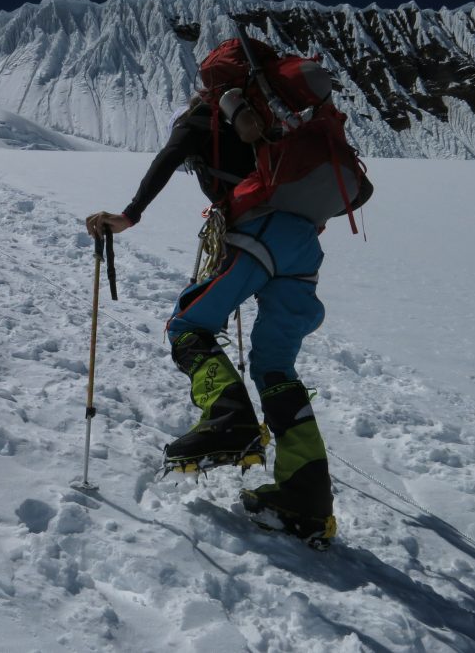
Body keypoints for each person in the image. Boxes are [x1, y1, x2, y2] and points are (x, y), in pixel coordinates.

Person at [86, 92, 338, 544]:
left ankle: (229, 419)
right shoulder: (276, 118)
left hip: (257, 233)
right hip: (303, 244)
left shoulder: (203, 117)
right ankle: (307, 497)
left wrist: (129, 215)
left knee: (188, 326)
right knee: (275, 365)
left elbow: (168, 158)